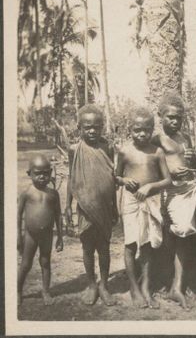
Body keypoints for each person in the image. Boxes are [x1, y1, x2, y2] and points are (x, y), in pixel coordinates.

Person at [116, 107, 171, 308]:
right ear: (130, 129)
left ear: (152, 129)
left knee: (147, 243)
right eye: (137, 130)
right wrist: (124, 180)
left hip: (152, 201)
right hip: (131, 202)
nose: (141, 134)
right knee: (131, 244)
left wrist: (150, 186)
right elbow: (116, 176)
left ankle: (146, 287)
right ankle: (134, 287)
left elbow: (168, 180)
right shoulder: (124, 151)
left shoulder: (157, 152)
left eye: (146, 130)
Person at [65, 104, 118, 306]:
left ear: (102, 126)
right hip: (85, 207)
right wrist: (68, 206)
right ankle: (91, 284)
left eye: (97, 126)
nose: (92, 131)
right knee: (87, 247)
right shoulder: (74, 150)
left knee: (104, 248)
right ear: (79, 127)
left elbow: (111, 179)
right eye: (87, 127)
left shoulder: (108, 148)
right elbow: (71, 177)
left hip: (105, 207)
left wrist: (115, 208)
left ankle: (104, 285)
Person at [152, 92, 196, 310]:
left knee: (183, 233)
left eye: (178, 117)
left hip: (186, 189)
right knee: (166, 234)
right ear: (160, 116)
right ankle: (163, 281)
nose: (174, 121)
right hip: (166, 190)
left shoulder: (185, 137)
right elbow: (149, 166)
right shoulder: (155, 139)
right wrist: (170, 171)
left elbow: (193, 162)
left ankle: (177, 286)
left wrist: (191, 158)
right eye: (170, 117)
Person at [17, 154, 63, 306]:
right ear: (29, 173)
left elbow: (58, 216)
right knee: (26, 264)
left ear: (51, 172)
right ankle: (18, 290)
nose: (42, 177)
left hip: (47, 235)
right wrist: (19, 236)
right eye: (38, 173)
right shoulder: (27, 193)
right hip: (30, 235)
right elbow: (18, 215)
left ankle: (45, 291)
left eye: (46, 173)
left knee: (45, 262)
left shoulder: (53, 194)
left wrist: (60, 237)